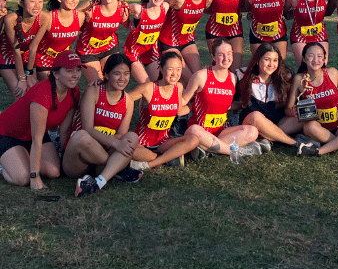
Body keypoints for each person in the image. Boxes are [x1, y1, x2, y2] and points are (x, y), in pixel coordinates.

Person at [0, 50, 81, 189]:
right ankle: (3, 164)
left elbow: (65, 130)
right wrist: (35, 176)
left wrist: (65, 158)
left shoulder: (74, 91)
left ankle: (21, 155)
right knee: (23, 177)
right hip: (7, 133)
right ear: (55, 74)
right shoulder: (43, 94)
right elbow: (37, 139)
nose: (75, 75)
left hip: (31, 136)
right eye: (69, 70)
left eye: (78, 70)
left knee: (54, 171)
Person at [62, 54, 140, 197]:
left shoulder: (128, 101)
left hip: (101, 158)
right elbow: (88, 128)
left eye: (126, 74)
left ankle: (99, 182)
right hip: (79, 158)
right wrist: (115, 144)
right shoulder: (94, 91)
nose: (122, 78)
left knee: (132, 137)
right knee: (82, 136)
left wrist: (115, 143)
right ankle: (117, 168)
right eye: (117, 73)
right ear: (106, 75)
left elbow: (121, 135)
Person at [182, 39, 260, 157]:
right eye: (220, 55)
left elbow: (227, 105)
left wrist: (241, 104)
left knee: (252, 131)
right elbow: (184, 100)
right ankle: (235, 151)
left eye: (229, 54)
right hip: (200, 131)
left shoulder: (233, 78)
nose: (226, 58)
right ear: (213, 57)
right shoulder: (201, 76)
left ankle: (209, 148)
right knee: (194, 130)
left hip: (222, 132)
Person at [286, 42, 338, 156]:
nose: (315, 60)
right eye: (311, 55)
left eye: (319, 56)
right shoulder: (299, 79)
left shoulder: (332, 73)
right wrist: (293, 111)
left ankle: (322, 148)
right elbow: (289, 107)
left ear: (324, 59)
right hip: (318, 128)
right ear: (304, 58)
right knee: (309, 127)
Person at [128, 50, 199, 170]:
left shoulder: (178, 87)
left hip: (164, 143)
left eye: (178, 69)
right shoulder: (148, 88)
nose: (175, 74)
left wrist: (197, 104)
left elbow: (179, 111)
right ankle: (168, 157)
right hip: (141, 144)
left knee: (194, 139)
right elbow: (124, 100)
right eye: (170, 69)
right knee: (127, 149)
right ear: (160, 68)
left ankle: (150, 163)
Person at [238, 43, 313, 152]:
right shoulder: (243, 75)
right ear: (258, 60)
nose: (271, 64)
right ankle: (295, 143)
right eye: (267, 59)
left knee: (306, 115)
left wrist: (294, 111)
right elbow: (235, 101)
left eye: (275, 60)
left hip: (279, 123)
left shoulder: (284, 77)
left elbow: (290, 107)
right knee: (256, 117)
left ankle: (268, 137)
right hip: (253, 123)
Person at [158, 0, 213, 85]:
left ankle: (191, 101)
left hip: (188, 41)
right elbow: (160, 10)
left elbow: (207, 10)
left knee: (198, 76)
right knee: (190, 80)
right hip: (169, 42)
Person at [27, 0, 85, 81]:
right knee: (51, 91)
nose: (74, 0)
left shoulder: (80, 17)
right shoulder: (49, 18)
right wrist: (30, 73)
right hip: (43, 62)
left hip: (63, 63)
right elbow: (33, 46)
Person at [76, 0, 129, 83]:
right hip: (88, 50)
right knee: (98, 84)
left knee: (113, 82)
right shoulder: (91, 6)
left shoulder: (123, 8)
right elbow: (71, 22)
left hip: (109, 48)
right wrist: (84, 20)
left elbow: (130, 25)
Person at [0, 0, 46, 99]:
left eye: (40, 1)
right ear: (21, 3)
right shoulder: (10, 19)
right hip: (8, 55)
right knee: (20, 94)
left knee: (33, 91)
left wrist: (29, 76)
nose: (37, 5)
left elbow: (33, 48)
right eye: (32, 1)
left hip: (26, 55)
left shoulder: (44, 18)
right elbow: (15, 50)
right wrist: (22, 78)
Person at [284, 0, 332, 66]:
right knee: (306, 66)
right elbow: (283, 12)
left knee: (322, 66)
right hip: (300, 36)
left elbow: (330, 10)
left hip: (320, 34)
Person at [124, 0, 169, 84]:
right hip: (134, 53)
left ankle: (145, 101)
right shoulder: (138, 10)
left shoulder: (165, 8)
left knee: (158, 84)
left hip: (151, 52)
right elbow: (121, 12)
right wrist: (130, 25)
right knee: (147, 86)